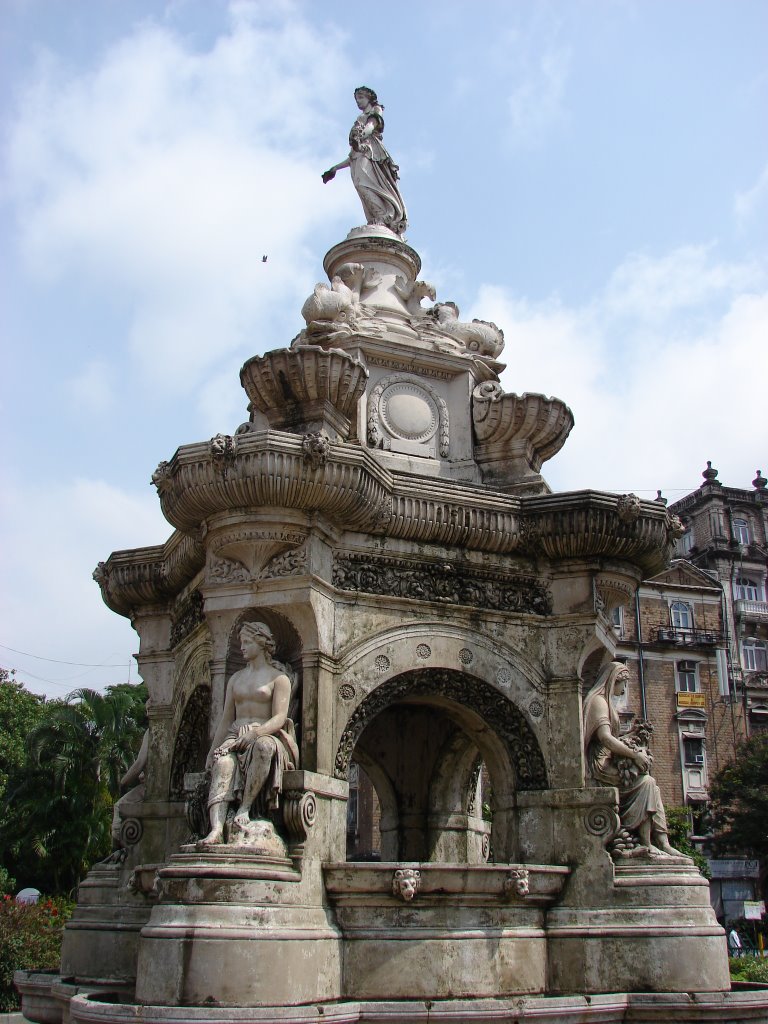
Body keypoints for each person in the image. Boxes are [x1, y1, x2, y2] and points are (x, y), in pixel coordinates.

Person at [200, 621, 298, 846]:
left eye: (247, 642)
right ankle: (216, 828)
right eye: (241, 643)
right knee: (223, 764)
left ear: (262, 643)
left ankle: (244, 809)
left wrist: (256, 733)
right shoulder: (235, 679)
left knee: (264, 748)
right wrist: (214, 750)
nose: (242, 647)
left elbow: (280, 718)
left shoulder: (279, 679)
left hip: (266, 734)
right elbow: (226, 720)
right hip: (235, 735)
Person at [583, 660, 682, 856]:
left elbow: (611, 738)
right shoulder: (598, 702)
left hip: (608, 759)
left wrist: (633, 738)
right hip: (600, 765)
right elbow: (604, 738)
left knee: (652, 785)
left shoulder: (606, 702)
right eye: (624, 684)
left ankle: (662, 841)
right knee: (646, 783)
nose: (624, 688)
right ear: (614, 680)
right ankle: (647, 843)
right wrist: (634, 755)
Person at [322, 86, 408, 236]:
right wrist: (334, 168)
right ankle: (376, 218)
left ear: (369, 98)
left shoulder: (375, 111)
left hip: (371, 152)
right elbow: (351, 156)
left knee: (365, 184)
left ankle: (383, 217)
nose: (358, 102)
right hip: (359, 154)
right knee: (359, 185)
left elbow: (371, 125)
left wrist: (359, 135)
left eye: (361, 98)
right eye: (356, 99)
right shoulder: (359, 125)